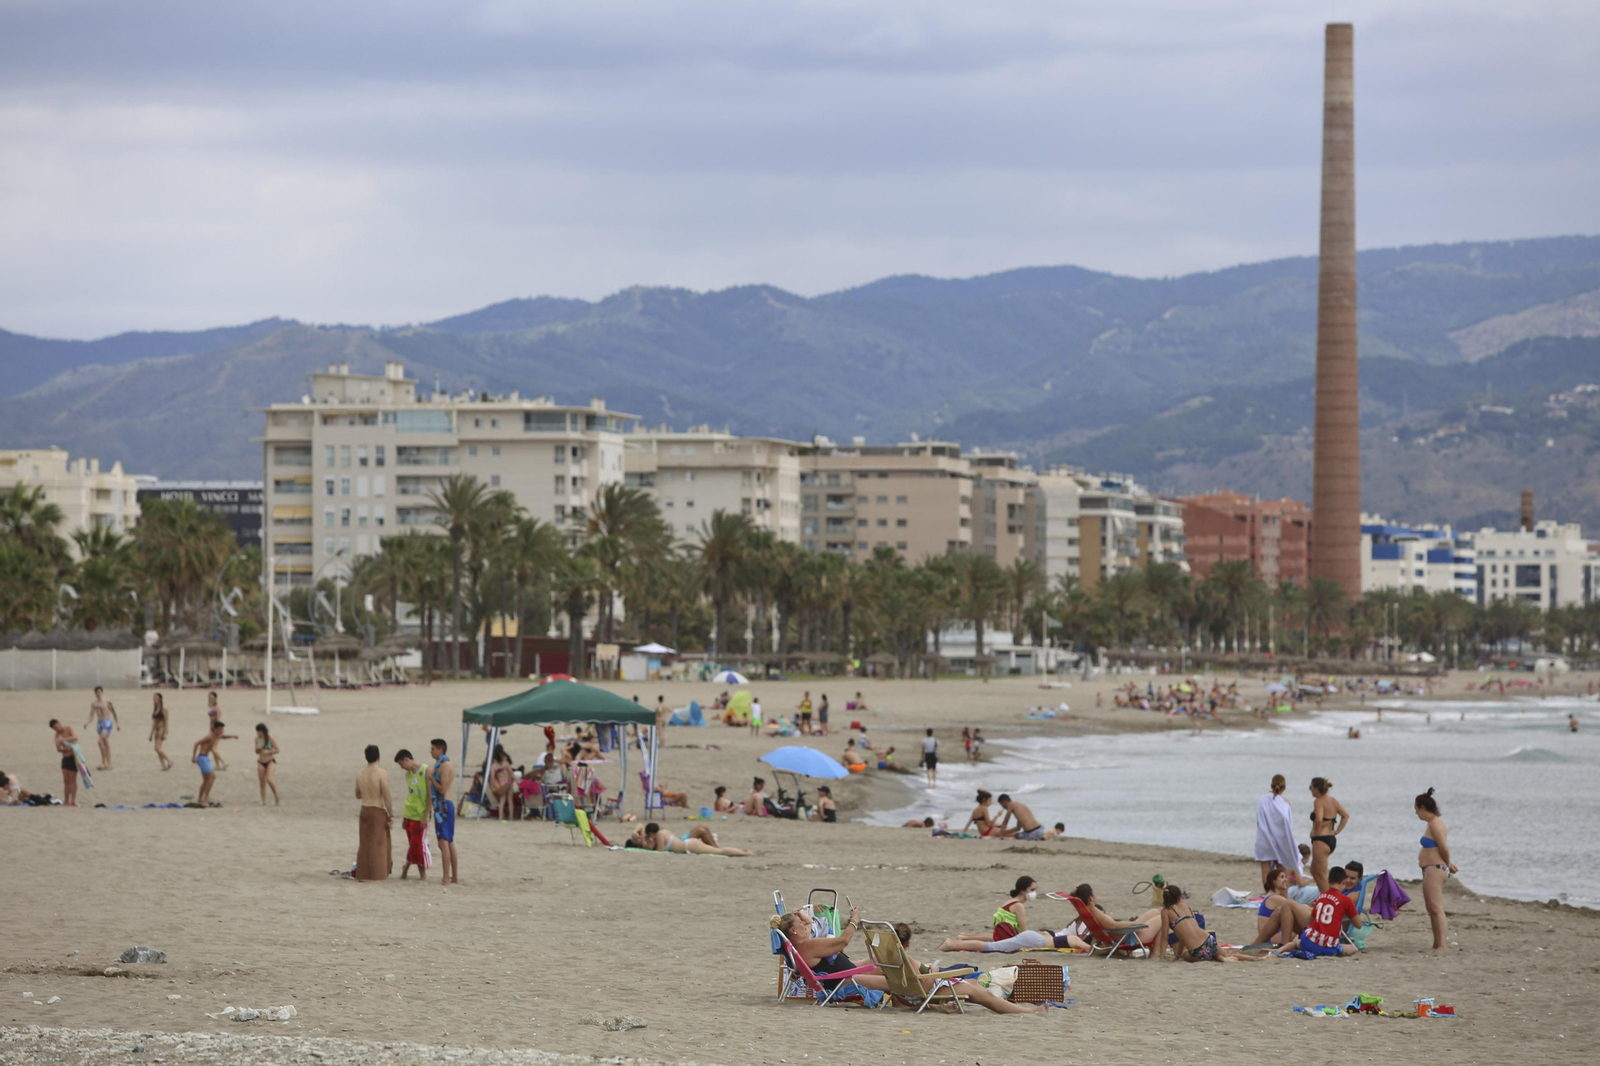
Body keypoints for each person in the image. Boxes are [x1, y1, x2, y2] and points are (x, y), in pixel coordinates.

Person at [769, 908, 1045, 1015]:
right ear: (794, 931)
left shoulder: (799, 946)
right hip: (846, 982)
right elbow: (841, 942)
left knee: (902, 967)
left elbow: (815, 934)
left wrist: (802, 917)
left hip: (844, 978)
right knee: (975, 990)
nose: (807, 927)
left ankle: (924, 990)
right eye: (802, 925)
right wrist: (853, 922)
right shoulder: (808, 945)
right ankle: (1026, 1012)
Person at [1159, 885, 1264, 962]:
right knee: (1227, 954)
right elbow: (1184, 935)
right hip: (1208, 939)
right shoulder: (1186, 906)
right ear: (1179, 897)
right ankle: (1257, 959)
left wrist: (1165, 957)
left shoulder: (1165, 911)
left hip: (1197, 951)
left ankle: (1220, 958)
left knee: (1185, 955)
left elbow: (1164, 937)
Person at [1415, 787, 1458, 950]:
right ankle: (1437, 943)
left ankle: (1442, 945)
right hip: (1430, 869)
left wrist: (1449, 863)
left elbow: (1443, 847)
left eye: (1416, 809)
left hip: (1436, 868)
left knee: (1436, 908)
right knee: (1431, 908)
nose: (1416, 813)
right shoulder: (1432, 824)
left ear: (1422, 808)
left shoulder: (1435, 824)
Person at [1072, 884, 1159, 955]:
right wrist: (1133, 923)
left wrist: (1073, 896)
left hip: (1124, 933)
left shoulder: (1087, 911)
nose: (1096, 896)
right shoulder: (1094, 911)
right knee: (1161, 918)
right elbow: (1112, 925)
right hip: (1131, 936)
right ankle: (1156, 953)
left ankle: (1155, 951)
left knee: (1154, 911)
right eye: (1094, 894)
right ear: (1090, 898)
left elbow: (1112, 925)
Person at [1297, 866, 1361, 957]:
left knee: (1298, 942)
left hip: (1306, 941)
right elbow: (1358, 925)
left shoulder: (1321, 896)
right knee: (1353, 949)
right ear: (1344, 882)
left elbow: (1310, 920)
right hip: (1327, 947)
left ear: (1328, 881)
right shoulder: (1346, 900)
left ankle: (1279, 949)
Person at [354, 744, 393, 881]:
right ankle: (378, 874)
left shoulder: (360, 774)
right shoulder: (382, 774)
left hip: (364, 809)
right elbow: (386, 796)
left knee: (364, 842)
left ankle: (363, 873)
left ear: (366, 757)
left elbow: (358, 795)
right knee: (378, 844)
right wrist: (391, 814)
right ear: (379, 756)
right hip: (377, 809)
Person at [1254, 774, 1301, 883]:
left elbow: (1259, 819)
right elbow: (1288, 825)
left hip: (1264, 838)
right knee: (1281, 870)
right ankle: (1281, 895)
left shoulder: (1262, 800)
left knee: (1266, 870)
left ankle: (1269, 894)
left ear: (1271, 785)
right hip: (1281, 840)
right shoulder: (1285, 804)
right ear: (1284, 788)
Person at [394, 749, 431, 881]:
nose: (401, 767)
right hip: (409, 814)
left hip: (420, 815)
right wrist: (404, 818)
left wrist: (425, 816)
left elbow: (430, 797)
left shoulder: (426, 771)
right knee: (413, 844)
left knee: (417, 844)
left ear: (406, 759)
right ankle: (408, 869)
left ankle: (418, 873)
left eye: (401, 764)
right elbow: (410, 795)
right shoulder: (408, 775)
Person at [1307, 776, 1349, 890]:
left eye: (1311, 787)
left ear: (1316, 788)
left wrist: (1315, 832)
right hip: (1330, 838)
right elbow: (1345, 816)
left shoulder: (1318, 801)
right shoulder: (1333, 801)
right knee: (1314, 871)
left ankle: (1331, 899)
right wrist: (1337, 831)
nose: (1310, 789)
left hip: (1321, 840)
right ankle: (1324, 895)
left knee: (1321, 873)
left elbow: (1319, 819)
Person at [1256, 865, 1312, 946]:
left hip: (1270, 937)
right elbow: (1295, 907)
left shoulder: (1272, 897)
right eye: (1282, 877)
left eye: (1286, 877)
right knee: (1300, 919)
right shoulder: (1274, 898)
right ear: (1273, 881)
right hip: (1271, 939)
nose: (1286, 880)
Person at [428, 738, 459, 885]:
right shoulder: (440, 765)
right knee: (448, 842)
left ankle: (447, 876)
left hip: (444, 805)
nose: (431, 751)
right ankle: (453, 876)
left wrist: (431, 780)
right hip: (444, 804)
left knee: (443, 842)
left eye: (433, 749)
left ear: (440, 750)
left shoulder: (445, 766)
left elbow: (442, 789)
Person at [628, 821, 752, 855]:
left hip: (689, 845)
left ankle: (745, 853)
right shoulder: (659, 834)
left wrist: (638, 834)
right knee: (718, 850)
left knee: (720, 851)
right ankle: (743, 852)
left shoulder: (658, 835)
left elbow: (660, 852)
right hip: (688, 844)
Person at [191, 720, 234, 806]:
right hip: (202, 758)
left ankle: (200, 799)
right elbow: (196, 744)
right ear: (215, 729)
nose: (222, 731)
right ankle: (206, 797)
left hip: (205, 758)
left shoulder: (216, 736)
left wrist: (233, 736)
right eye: (220, 729)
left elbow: (224, 737)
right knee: (212, 776)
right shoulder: (210, 737)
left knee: (206, 780)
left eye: (222, 729)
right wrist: (193, 756)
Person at [85, 686, 118, 770]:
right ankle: (106, 763)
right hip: (99, 723)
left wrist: (117, 724)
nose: (98, 693)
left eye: (99, 692)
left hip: (107, 722)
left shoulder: (107, 701)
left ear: (102, 692)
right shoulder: (94, 704)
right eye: (97, 692)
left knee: (100, 741)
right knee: (105, 742)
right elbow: (91, 715)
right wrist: (87, 723)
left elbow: (114, 712)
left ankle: (106, 762)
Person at [50, 719, 81, 806]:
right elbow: (58, 749)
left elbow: (75, 737)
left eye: (57, 727)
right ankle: (66, 800)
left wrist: (63, 740)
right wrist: (63, 746)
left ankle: (73, 800)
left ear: (59, 724)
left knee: (72, 780)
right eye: (55, 729)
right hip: (65, 758)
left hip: (73, 757)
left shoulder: (69, 729)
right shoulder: (57, 735)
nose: (57, 729)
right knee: (66, 781)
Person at [254, 723, 280, 805]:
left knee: (269, 779)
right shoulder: (257, 739)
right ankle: (264, 800)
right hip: (261, 761)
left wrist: (268, 752)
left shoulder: (270, 739)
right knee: (262, 782)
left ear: (262, 731)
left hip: (270, 761)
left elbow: (277, 750)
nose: (257, 733)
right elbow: (256, 751)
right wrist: (259, 748)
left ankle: (276, 795)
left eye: (258, 731)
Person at [149, 693, 173, 771]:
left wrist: (165, 732)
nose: (155, 699)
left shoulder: (164, 708)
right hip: (156, 729)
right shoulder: (156, 708)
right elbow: (154, 722)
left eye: (157, 698)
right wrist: (151, 733)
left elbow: (166, 721)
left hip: (162, 728)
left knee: (157, 748)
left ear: (160, 699)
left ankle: (169, 760)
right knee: (157, 748)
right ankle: (163, 765)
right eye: (154, 698)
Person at [205, 691, 228, 769]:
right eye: (209, 697)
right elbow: (211, 720)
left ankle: (224, 762)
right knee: (214, 747)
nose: (210, 699)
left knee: (212, 747)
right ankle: (218, 765)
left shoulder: (217, 707)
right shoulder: (211, 706)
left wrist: (219, 730)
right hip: (212, 728)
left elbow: (219, 719)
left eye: (212, 697)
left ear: (215, 698)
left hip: (216, 728)